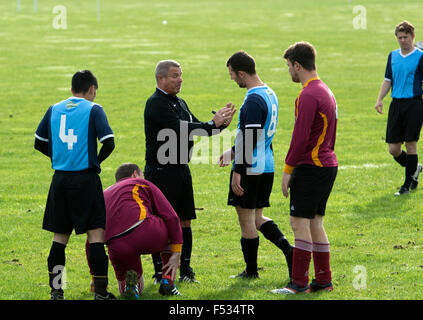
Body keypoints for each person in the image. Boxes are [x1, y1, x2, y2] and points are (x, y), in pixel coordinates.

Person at [144, 60, 236, 284]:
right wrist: (211, 124)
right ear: (160, 79)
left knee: (185, 221)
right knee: (162, 222)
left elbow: (197, 126)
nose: (180, 79)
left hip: (181, 171)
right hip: (161, 172)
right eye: (175, 75)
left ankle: (184, 269)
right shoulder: (156, 103)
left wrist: (220, 124)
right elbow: (180, 130)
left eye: (181, 75)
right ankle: (160, 273)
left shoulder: (179, 102)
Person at [34, 70, 116, 300]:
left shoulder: (54, 108)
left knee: (59, 239)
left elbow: (39, 142)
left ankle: (57, 291)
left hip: (60, 180)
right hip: (86, 180)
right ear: (92, 89)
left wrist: (58, 158)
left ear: (71, 90)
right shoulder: (94, 109)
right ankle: (100, 292)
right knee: (96, 236)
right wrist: (95, 161)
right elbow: (109, 143)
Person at [218, 50, 293, 280]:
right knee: (258, 217)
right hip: (266, 165)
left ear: (242, 73)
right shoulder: (270, 93)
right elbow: (259, 136)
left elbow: (250, 138)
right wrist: (232, 151)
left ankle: (251, 271)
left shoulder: (252, 100)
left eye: (232, 74)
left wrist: (237, 170)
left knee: (247, 221)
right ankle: (290, 252)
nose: (232, 79)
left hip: (250, 168)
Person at [271, 42, 338, 294]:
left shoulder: (308, 95)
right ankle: (323, 280)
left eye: (289, 66)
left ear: (297, 65)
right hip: (327, 164)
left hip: (311, 166)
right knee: (315, 223)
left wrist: (288, 171)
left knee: (299, 222)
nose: (289, 71)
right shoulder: (326, 91)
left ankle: (298, 283)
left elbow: (300, 138)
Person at [86, 163, 184, 299]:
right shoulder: (141, 183)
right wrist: (177, 252)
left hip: (117, 246)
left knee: (135, 286)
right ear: (135, 174)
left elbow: (91, 241)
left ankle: (131, 286)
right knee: (170, 227)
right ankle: (167, 281)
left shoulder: (104, 194)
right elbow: (172, 217)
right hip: (145, 233)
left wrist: (95, 277)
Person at [375, 21, 423, 196]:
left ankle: (406, 185)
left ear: (413, 37)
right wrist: (380, 99)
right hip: (396, 105)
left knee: (411, 145)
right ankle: (415, 168)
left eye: (406, 37)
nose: (403, 41)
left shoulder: (420, 56)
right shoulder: (393, 56)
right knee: (393, 149)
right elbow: (388, 79)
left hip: (414, 105)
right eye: (400, 37)